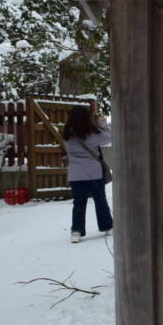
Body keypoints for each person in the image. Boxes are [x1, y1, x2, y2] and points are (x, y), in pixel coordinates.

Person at [62, 104, 113, 243]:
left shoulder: (67, 134)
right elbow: (108, 137)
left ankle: (76, 232)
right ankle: (107, 226)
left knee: (79, 202)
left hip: (75, 173)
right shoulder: (91, 134)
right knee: (100, 200)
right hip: (93, 173)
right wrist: (102, 122)